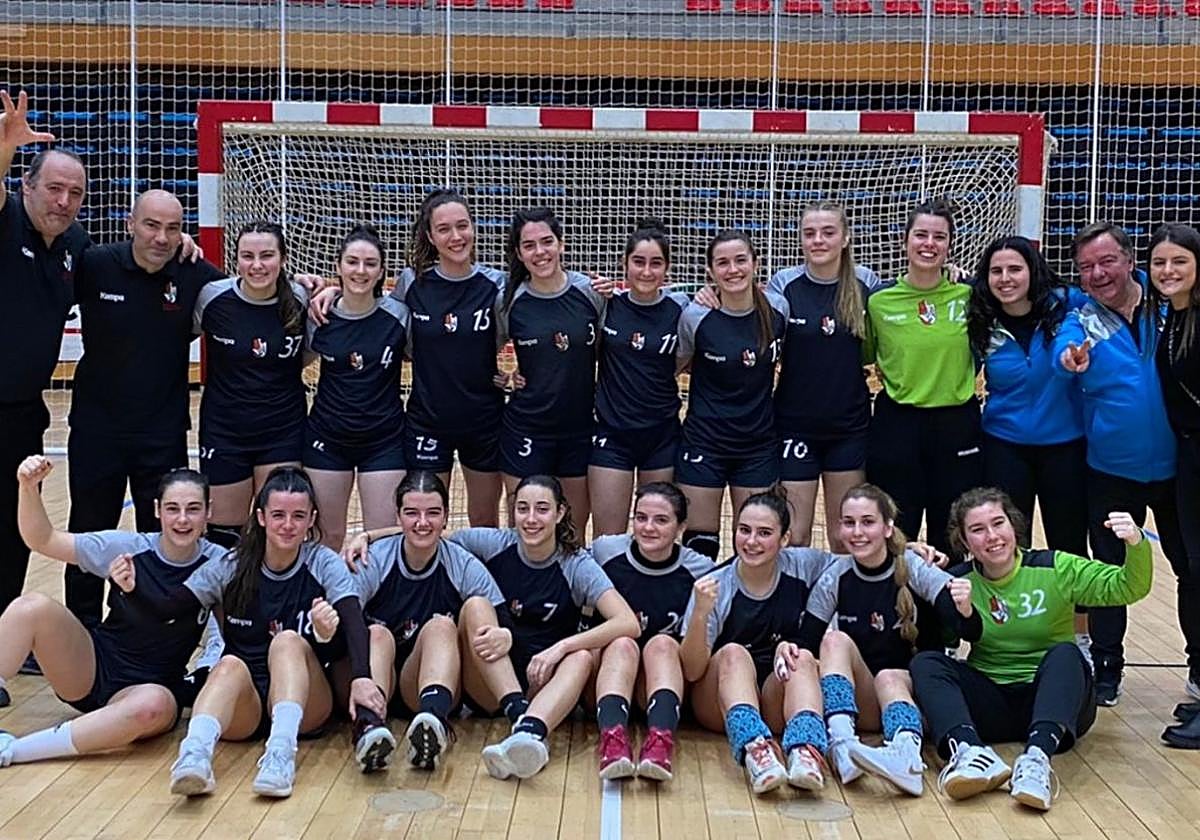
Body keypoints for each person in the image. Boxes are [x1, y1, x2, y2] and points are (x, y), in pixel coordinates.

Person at [114, 467, 384, 798]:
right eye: (278, 515)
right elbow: (169, 609)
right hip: (248, 704)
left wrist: (359, 674)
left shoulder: (323, 562)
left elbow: (354, 620)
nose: (288, 525)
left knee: (286, 641)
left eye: (298, 516)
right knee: (227, 663)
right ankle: (194, 756)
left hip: (308, 705)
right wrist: (131, 588)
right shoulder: (232, 565)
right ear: (260, 517)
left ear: (312, 518)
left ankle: (280, 756)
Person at [911, 487, 1151, 811]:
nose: (992, 536)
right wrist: (912, 559)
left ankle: (1037, 761)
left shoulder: (1056, 568)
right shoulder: (956, 581)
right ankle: (969, 752)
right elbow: (924, 635)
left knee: (1067, 654)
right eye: (978, 530)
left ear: (1014, 526)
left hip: (1057, 704)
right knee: (927, 663)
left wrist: (1136, 543)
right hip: (992, 704)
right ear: (964, 542)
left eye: (998, 524)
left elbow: (1129, 586)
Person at [64, 190, 225, 627]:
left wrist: (307, 286)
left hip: (162, 431)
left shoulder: (193, 274)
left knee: (160, 535)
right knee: (88, 528)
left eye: (173, 228)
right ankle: (80, 627)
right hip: (98, 430)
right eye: (152, 225)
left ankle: (148, 623)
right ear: (130, 224)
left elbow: (249, 290)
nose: (161, 237)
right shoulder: (95, 264)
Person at [1053, 221, 1193, 706]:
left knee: (1190, 569)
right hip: (1112, 474)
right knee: (1109, 574)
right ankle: (1107, 669)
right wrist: (1068, 358)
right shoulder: (1082, 319)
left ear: (1130, 260)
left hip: (1179, 471)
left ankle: (1197, 667)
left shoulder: (1170, 309)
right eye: (1087, 266)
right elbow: (1063, 348)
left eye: (1107, 260)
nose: (1098, 273)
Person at [0, 456, 222, 762]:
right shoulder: (127, 547)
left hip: (154, 687)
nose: (182, 519)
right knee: (31, 607)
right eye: (172, 509)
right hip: (92, 669)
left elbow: (224, 634)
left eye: (193, 509)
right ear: (157, 511)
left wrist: (204, 679)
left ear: (208, 513)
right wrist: (27, 487)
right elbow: (43, 540)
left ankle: (15, 751)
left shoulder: (221, 565)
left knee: (151, 707)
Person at [448, 474, 639, 780]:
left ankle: (529, 733)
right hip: (491, 680)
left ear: (560, 512)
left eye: (542, 509)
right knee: (476, 606)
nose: (531, 519)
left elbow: (627, 622)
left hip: (544, 683)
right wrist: (372, 536)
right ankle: (517, 713)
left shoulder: (575, 564)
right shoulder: (493, 544)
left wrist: (564, 646)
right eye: (522, 509)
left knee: (582, 657)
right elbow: (428, 534)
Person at [339, 471, 518, 770]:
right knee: (375, 633)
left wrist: (506, 635)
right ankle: (369, 729)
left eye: (433, 513)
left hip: (427, 685)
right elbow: (345, 624)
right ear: (398, 516)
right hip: (374, 678)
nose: (422, 523)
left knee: (441, 626)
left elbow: (501, 619)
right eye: (412, 513)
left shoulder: (461, 563)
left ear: (446, 517)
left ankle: (432, 723)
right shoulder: (373, 560)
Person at [966, 235, 1091, 659]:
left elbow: (1069, 342)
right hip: (1004, 445)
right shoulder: (980, 320)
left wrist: (1067, 358)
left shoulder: (1064, 307)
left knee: (1069, 546)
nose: (1005, 278)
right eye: (996, 271)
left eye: (1014, 269)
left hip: (1065, 447)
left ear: (1032, 270)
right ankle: (1007, 637)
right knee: (1004, 547)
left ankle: (1080, 643)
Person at [796, 484, 965, 796]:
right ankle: (843, 743)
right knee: (833, 641)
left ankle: (907, 756)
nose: (857, 532)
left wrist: (962, 598)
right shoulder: (836, 575)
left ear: (888, 527)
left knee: (889, 677)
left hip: (919, 699)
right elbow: (806, 644)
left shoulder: (915, 566)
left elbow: (963, 623)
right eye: (849, 522)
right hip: (867, 703)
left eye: (868, 522)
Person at [0, 91, 89, 626]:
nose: (63, 200)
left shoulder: (75, 243)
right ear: (26, 187)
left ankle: (7, 635)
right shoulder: (7, 219)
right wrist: (6, 147)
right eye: (53, 188)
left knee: (14, 530)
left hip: (22, 413)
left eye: (74, 193)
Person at [679, 486, 830, 795]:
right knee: (734, 653)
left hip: (773, 698)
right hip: (718, 702)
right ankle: (755, 751)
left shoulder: (803, 565)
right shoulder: (715, 585)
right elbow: (692, 672)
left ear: (785, 539)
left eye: (764, 533)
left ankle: (804, 750)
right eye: (744, 530)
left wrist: (908, 550)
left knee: (800, 656)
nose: (750, 541)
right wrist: (699, 616)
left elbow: (857, 562)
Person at [864, 197, 982, 558]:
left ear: (950, 245)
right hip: (898, 424)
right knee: (897, 529)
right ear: (905, 241)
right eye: (921, 235)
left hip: (956, 423)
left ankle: (948, 612)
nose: (929, 244)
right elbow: (865, 355)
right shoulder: (879, 301)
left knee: (953, 531)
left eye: (939, 236)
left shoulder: (971, 295)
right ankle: (895, 612)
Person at [769, 202, 881, 549]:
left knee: (846, 537)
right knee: (795, 536)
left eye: (828, 232)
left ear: (845, 238)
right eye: (809, 233)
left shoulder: (866, 283)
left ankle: (843, 605)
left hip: (849, 428)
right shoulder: (784, 285)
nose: (818, 240)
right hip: (794, 426)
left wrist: (952, 272)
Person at [193, 222, 311, 549]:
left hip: (283, 431)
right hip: (225, 431)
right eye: (247, 256)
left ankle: (275, 600)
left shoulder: (301, 299)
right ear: (236, 260)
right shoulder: (212, 298)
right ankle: (225, 601)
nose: (257, 265)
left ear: (283, 259)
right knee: (223, 536)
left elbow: (308, 354)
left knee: (279, 529)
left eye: (267, 255)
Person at [588, 481, 715, 780]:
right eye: (641, 517)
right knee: (622, 642)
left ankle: (660, 742)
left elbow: (695, 666)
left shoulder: (701, 571)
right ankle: (612, 740)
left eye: (661, 520)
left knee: (662, 644)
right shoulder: (604, 552)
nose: (648, 527)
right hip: (604, 677)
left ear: (681, 526)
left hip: (656, 685)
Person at [675, 230, 788, 561]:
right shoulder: (695, 316)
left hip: (757, 446)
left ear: (756, 263)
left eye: (741, 260)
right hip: (704, 444)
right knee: (700, 547)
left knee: (756, 545)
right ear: (710, 271)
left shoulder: (778, 310)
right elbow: (671, 367)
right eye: (722, 263)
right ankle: (702, 613)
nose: (733, 269)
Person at [497, 209, 606, 534]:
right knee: (524, 528)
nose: (539, 251)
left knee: (572, 529)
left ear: (562, 244)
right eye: (529, 245)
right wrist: (502, 378)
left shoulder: (590, 293)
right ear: (518, 253)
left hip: (579, 429)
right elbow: (477, 349)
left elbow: (608, 349)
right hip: (526, 428)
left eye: (547, 242)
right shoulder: (509, 299)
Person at [304, 223, 408, 551]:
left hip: (384, 441)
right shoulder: (319, 316)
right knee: (327, 539)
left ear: (381, 272)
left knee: (382, 539)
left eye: (370, 263)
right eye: (352, 262)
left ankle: (376, 604)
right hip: (328, 439)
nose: (360, 271)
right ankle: (327, 602)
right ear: (338, 266)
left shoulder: (399, 316)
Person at [588, 221, 690, 536]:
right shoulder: (606, 305)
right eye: (639, 262)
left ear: (668, 269)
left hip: (661, 436)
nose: (646, 271)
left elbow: (684, 359)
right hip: (612, 435)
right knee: (608, 540)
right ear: (625, 265)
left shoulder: (682, 310)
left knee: (657, 536)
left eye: (656, 263)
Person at [1147, 223, 1200, 747]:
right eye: (1160, 262)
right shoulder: (1175, 316)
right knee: (1191, 568)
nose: (1168, 271)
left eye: (1178, 262)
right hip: (1188, 452)